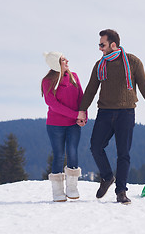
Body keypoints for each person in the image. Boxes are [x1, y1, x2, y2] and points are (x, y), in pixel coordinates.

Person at [77, 29, 145, 204]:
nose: (100, 48)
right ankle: (108, 176)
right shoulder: (100, 65)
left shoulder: (133, 62)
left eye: (102, 44)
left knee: (123, 153)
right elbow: (91, 89)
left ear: (113, 44)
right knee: (95, 147)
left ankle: (121, 191)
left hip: (126, 112)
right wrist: (82, 110)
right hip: (105, 112)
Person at [41, 51, 86, 202]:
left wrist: (83, 115)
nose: (67, 61)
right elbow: (53, 105)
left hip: (74, 124)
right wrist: (76, 115)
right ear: (56, 64)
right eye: (63, 60)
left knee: (72, 152)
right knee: (58, 155)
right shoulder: (47, 81)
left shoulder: (73, 76)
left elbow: (81, 97)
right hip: (55, 125)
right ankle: (57, 191)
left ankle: (72, 188)